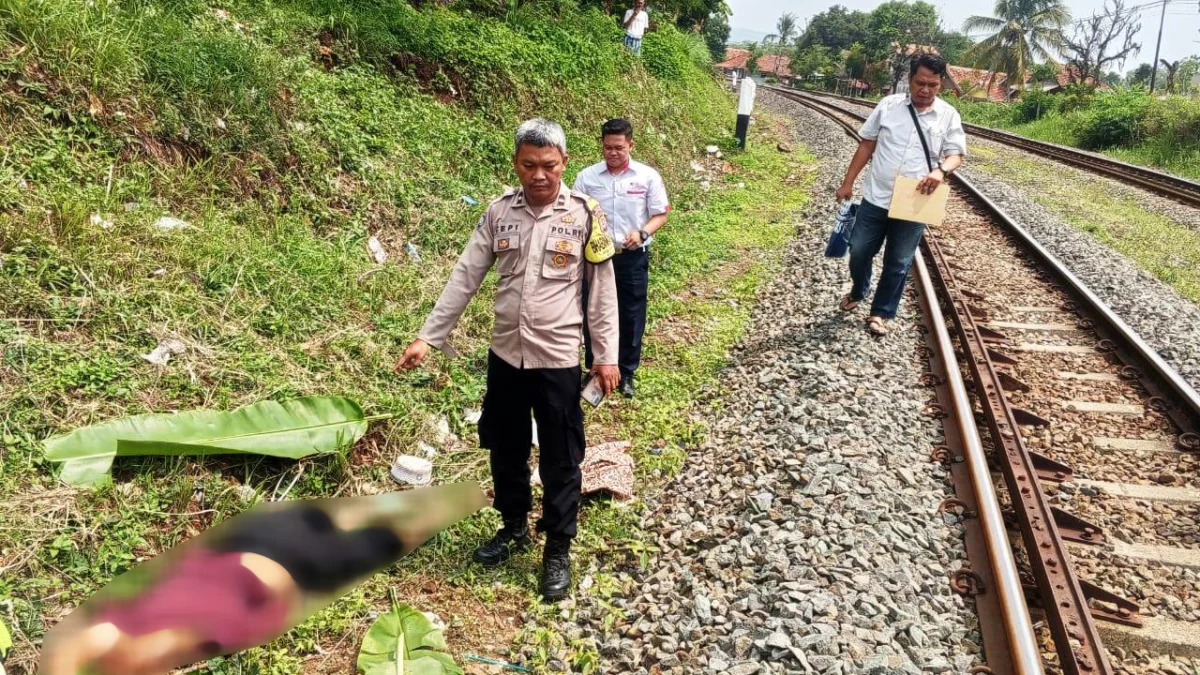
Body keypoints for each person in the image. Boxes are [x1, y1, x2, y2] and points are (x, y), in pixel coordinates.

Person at [395, 119, 621, 601]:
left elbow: (602, 291)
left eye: (549, 165)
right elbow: (465, 276)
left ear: (563, 163)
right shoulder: (499, 213)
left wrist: (606, 356)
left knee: (562, 456)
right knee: (506, 446)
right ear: (516, 163)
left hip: (558, 357)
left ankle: (557, 546)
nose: (539, 175)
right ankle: (514, 525)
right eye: (529, 165)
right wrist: (428, 337)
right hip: (506, 356)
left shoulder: (585, 214)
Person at [834, 52, 966, 336]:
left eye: (932, 85)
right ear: (910, 79)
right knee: (858, 251)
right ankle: (860, 288)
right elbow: (866, 145)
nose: (925, 89)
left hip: (914, 202)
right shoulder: (889, 105)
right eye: (920, 83)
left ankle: (880, 313)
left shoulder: (948, 115)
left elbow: (956, 154)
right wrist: (847, 184)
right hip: (876, 196)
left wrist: (940, 171)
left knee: (898, 261)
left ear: (940, 83)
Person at [574, 118, 669, 398]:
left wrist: (642, 232)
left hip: (631, 258)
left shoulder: (647, 176)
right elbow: (577, 213)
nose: (613, 153)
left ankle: (627, 372)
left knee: (631, 314)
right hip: (596, 258)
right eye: (607, 148)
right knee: (593, 312)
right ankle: (593, 368)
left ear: (630, 144)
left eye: (619, 147)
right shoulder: (587, 177)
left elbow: (660, 213)